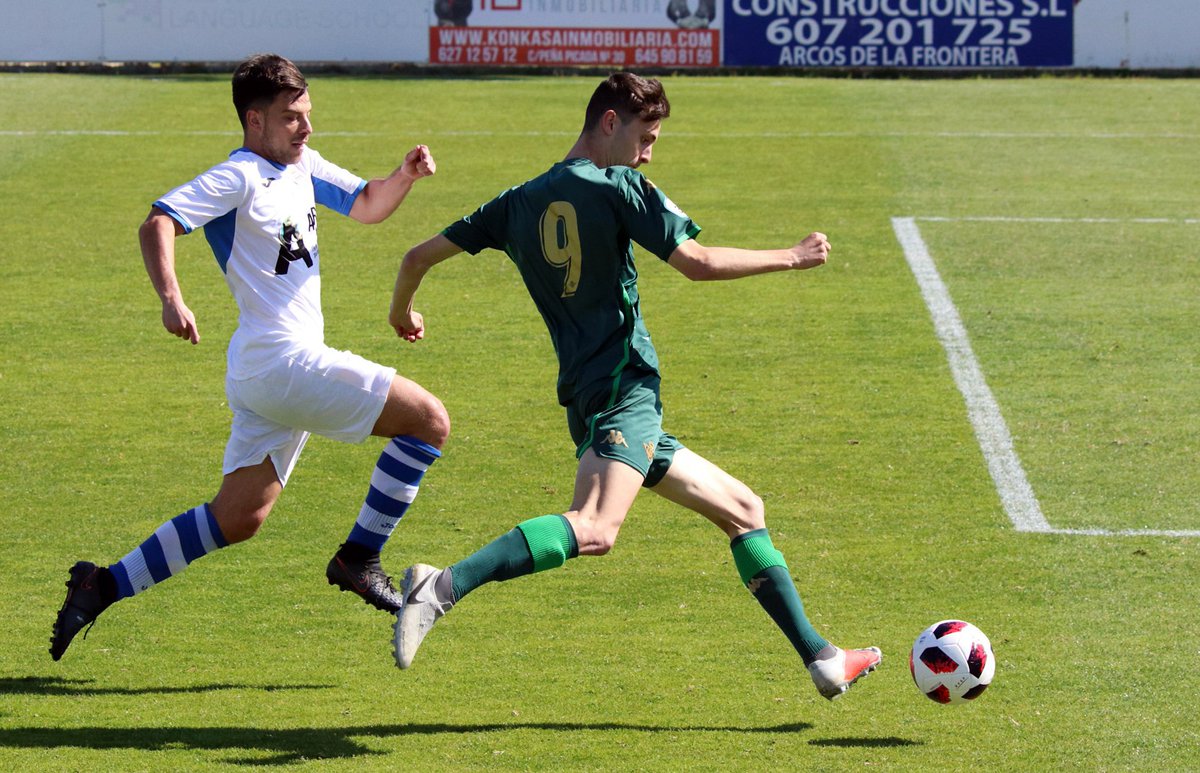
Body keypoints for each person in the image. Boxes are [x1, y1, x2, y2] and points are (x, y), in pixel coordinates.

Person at [387, 72, 881, 700]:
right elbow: (696, 263)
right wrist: (791, 256)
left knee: (742, 510)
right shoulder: (618, 184)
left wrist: (402, 312)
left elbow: (414, 258)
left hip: (591, 395)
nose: (649, 153)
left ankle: (822, 658)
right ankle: (443, 586)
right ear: (610, 123)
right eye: (645, 138)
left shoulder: (514, 202)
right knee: (595, 527)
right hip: (625, 392)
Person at [49, 53, 448, 661]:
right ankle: (359, 556)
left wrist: (403, 176)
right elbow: (158, 222)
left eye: (307, 114)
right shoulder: (238, 177)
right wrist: (171, 298)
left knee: (237, 518)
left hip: (267, 372)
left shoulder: (303, 166)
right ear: (254, 121)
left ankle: (102, 584)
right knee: (428, 420)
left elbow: (367, 204)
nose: (306, 128)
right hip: (282, 362)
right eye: (292, 119)